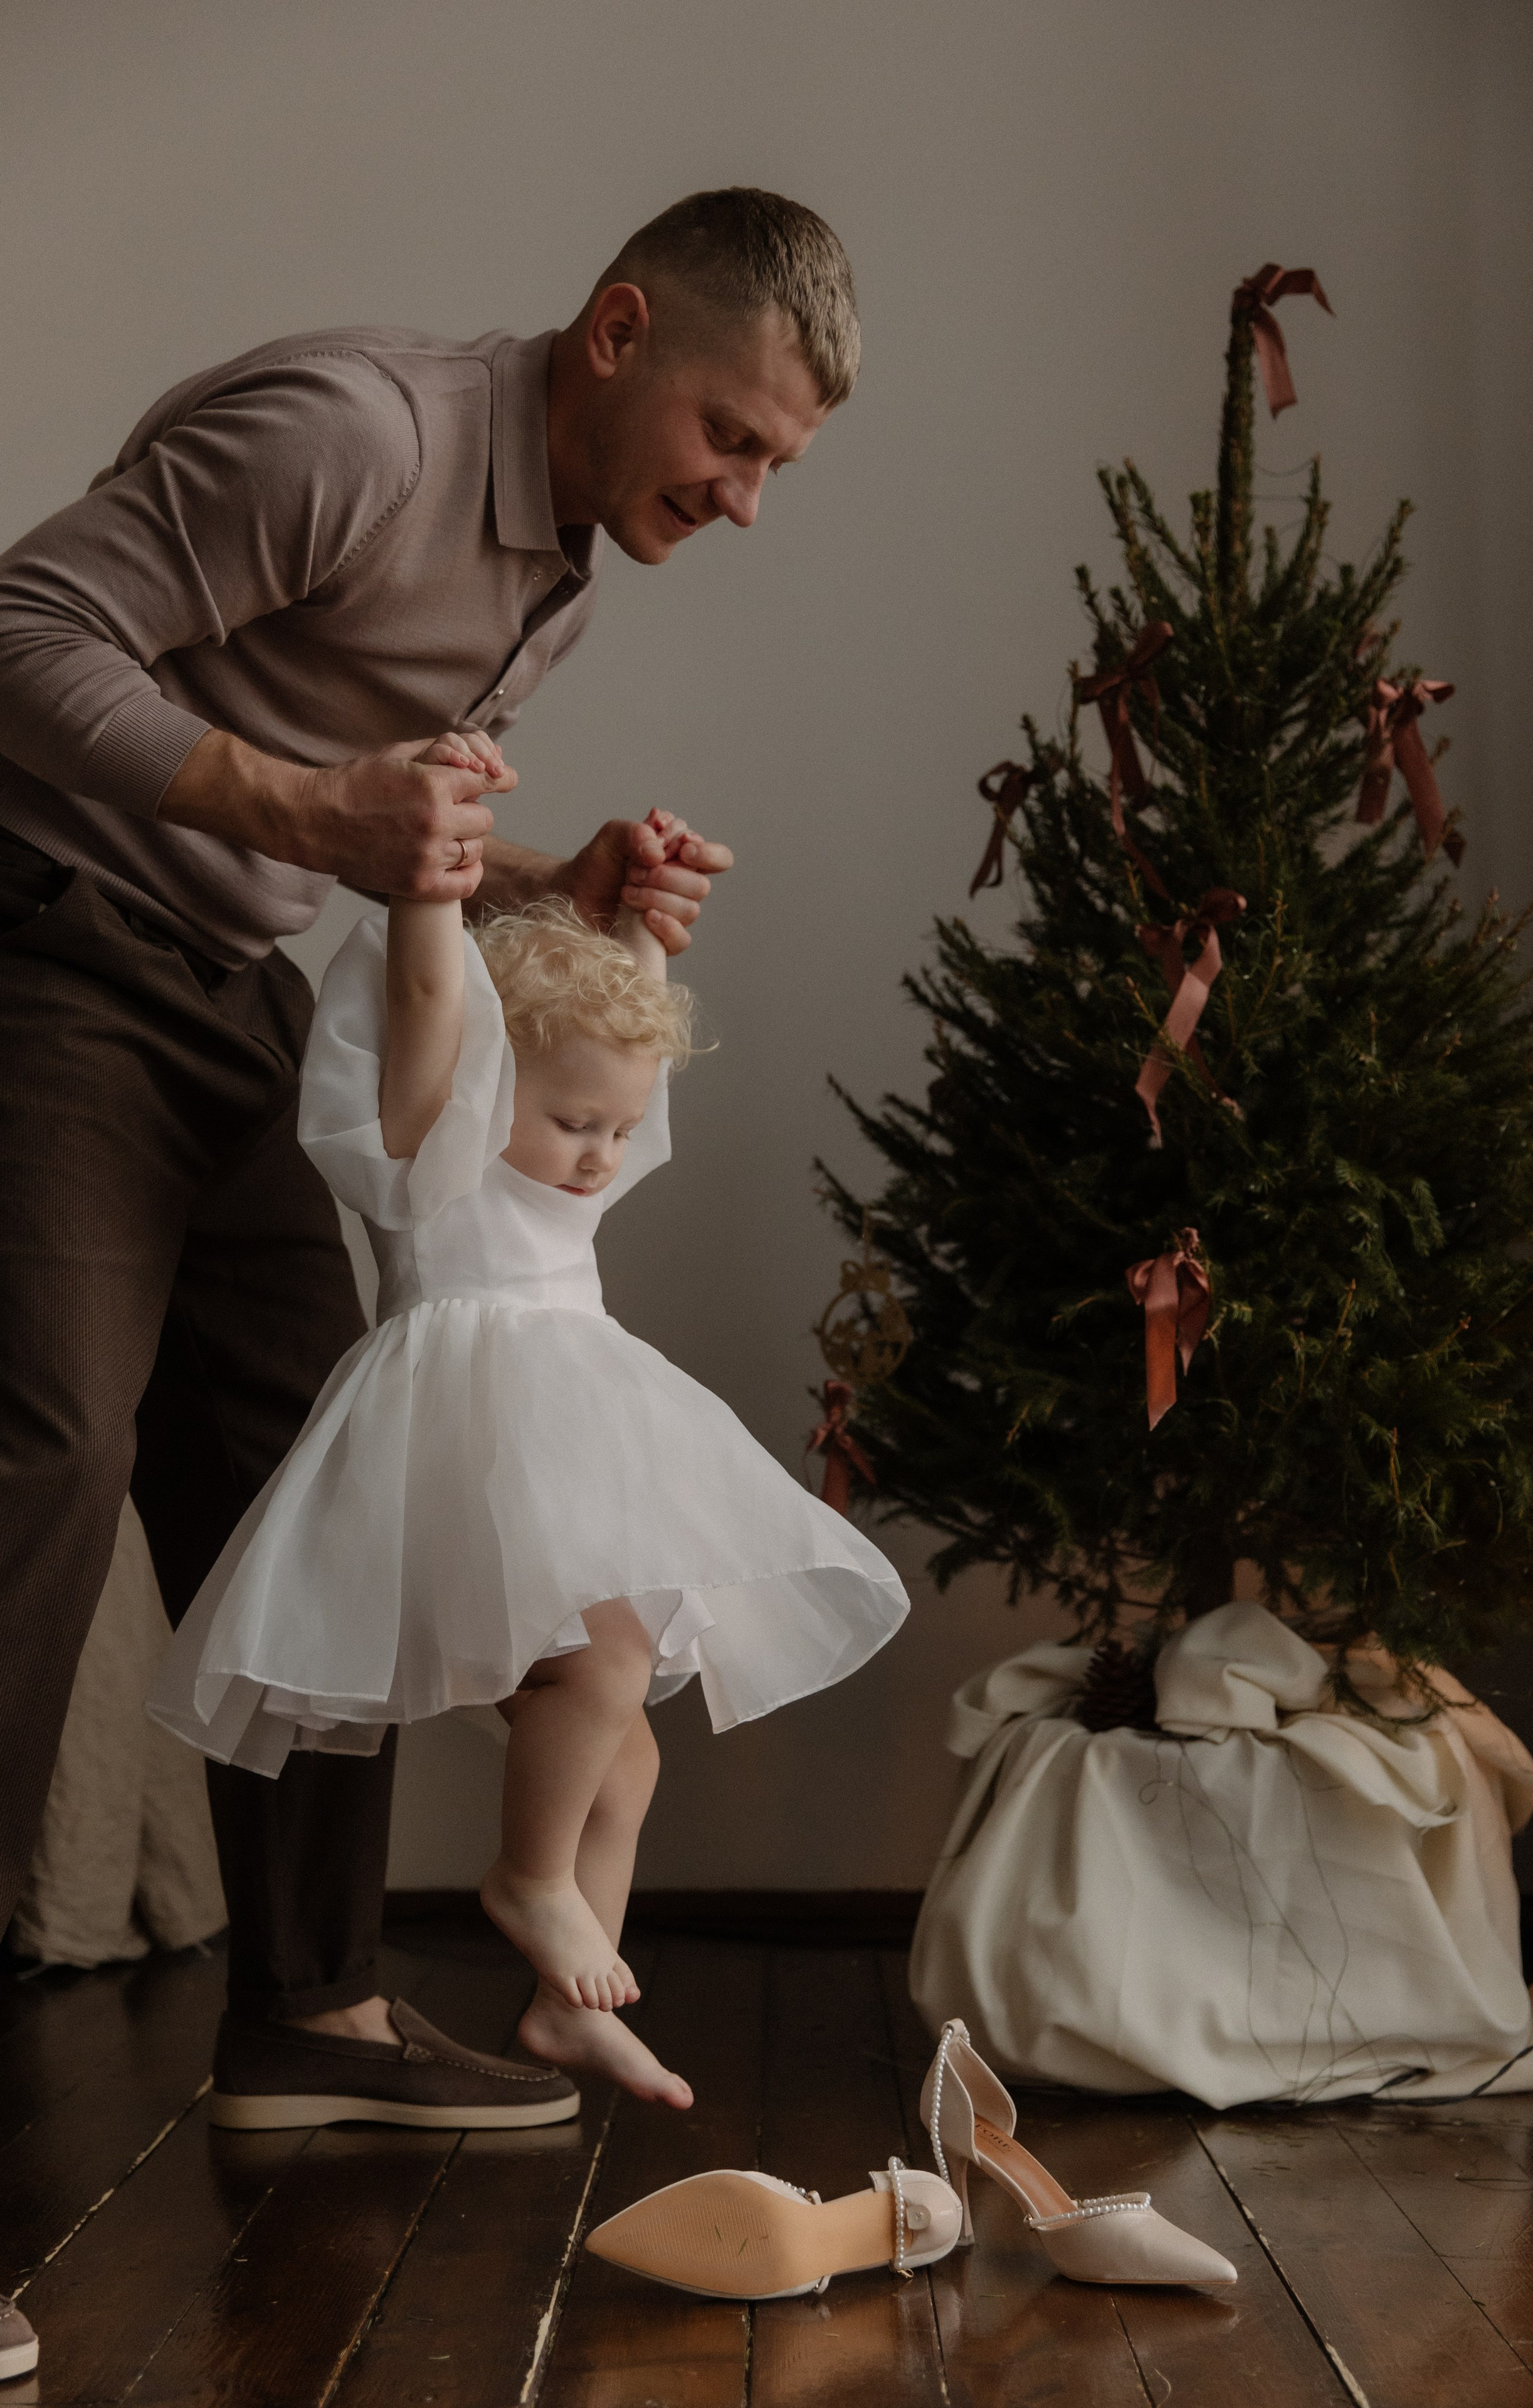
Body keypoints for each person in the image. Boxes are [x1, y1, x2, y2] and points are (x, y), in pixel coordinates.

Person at [0, 179, 859, 2215]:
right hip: (41, 948)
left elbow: (383, 830)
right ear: (621, 330)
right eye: (733, 441)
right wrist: (301, 811)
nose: (747, 499)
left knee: (330, 1456)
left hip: (216, 985)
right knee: (40, 1455)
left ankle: (313, 2014)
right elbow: (22, 628)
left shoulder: (556, 566)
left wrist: (547, 885)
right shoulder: (357, 437)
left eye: (783, 469)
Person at [149, 782, 909, 2106]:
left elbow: (623, 1047)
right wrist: (429, 887)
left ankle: (567, 2006)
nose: (599, 1157)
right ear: (494, 1084)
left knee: (631, 1747)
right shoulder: (433, 1137)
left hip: (564, 1416)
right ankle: (529, 1882)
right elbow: (434, 1004)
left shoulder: (586, 1138)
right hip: (459, 1427)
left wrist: (643, 937)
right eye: (572, 1125)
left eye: (615, 1132)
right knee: (602, 1659)